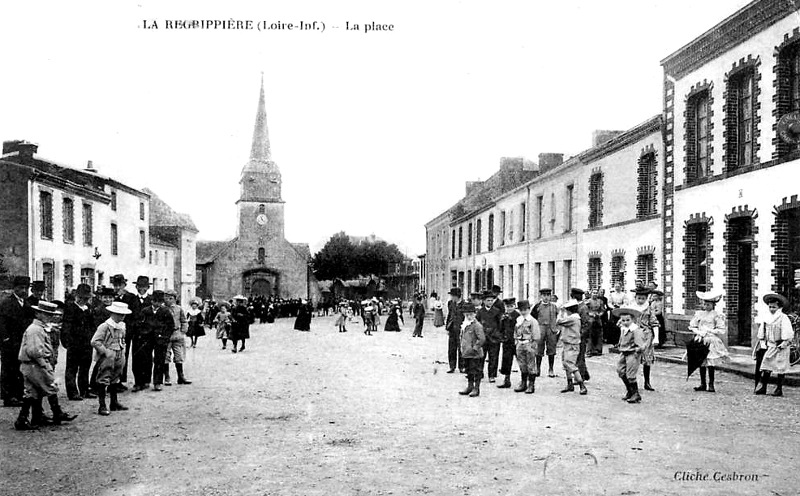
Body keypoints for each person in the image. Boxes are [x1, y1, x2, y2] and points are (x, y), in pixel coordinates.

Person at [15, 301, 77, 430]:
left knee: (32, 391)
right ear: (38, 314)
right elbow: (34, 351)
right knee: (50, 386)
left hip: (32, 364)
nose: (49, 317)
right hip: (35, 364)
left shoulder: (39, 328)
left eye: (50, 314)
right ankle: (56, 413)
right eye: (46, 314)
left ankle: (28, 418)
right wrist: (45, 366)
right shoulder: (35, 330)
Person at [91, 302, 132, 415]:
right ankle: (102, 405)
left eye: (123, 315)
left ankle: (114, 403)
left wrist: (122, 350)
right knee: (104, 378)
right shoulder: (104, 326)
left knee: (116, 377)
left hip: (119, 353)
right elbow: (95, 341)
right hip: (108, 355)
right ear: (113, 313)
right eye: (119, 314)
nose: (122, 317)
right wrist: (105, 351)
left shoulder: (122, 326)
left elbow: (123, 339)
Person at [0, 276, 33, 407]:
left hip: (21, 342)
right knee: (8, 369)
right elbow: (1, 323)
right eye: (21, 288)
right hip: (9, 342)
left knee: (20, 368)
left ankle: (18, 394)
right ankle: (8, 397)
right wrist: (5, 338)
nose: (24, 291)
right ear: (15, 288)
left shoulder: (26, 304)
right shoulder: (7, 303)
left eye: (26, 288)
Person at [754, 293, 794, 397]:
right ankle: (763, 387)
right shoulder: (767, 318)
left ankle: (779, 388)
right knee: (766, 365)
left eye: (774, 307)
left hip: (780, 346)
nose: (772, 309)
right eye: (770, 307)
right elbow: (762, 331)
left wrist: (784, 343)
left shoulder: (783, 318)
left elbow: (788, 333)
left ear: (779, 307)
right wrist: (763, 342)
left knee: (780, 366)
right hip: (770, 345)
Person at [61, 284, 96, 401]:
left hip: (87, 344)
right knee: (72, 368)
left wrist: (92, 338)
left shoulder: (89, 309)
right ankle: (72, 392)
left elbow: (92, 326)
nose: (83, 301)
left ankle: (85, 390)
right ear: (76, 296)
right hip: (74, 344)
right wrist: (67, 342)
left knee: (85, 368)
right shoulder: (70, 308)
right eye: (81, 298)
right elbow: (66, 326)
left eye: (86, 299)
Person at [688, 289, 728, 392]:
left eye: (709, 304)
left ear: (713, 305)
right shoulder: (699, 314)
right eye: (705, 304)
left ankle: (711, 384)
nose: (706, 306)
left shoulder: (716, 315)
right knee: (701, 361)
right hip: (701, 338)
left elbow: (721, 329)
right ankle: (703, 383)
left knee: (710, 362)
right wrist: (699, 331)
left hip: (711, 339)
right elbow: (692, 325)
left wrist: (710, 331)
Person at [111, 274, 139, 390]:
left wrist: (128, 327)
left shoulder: (131, 297)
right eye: (115, 285)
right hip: (113, 330)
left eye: (119, 285)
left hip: (127, 330)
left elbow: (135, 314)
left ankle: (120, 379)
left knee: (124, 355)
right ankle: (113, 381)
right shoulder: (112, 298)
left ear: (124, 285)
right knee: (114, 355)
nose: (117, 288)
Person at [628, 287, 659, 391]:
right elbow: (623, 323)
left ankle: (647, 382)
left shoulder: (649, 309)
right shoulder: (630, 308)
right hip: (633, 335)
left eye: (643, 298)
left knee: (647, 359)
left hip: (646, 335)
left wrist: (656, 338)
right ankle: (632, 382)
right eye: (639, 298)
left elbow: (654, 323)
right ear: (635, 298)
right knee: (632, 358)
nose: (640, 300)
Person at [143, 291, 175, 391]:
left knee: (159, 360)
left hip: (161, 339)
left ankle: (157, 382)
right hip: (148, 339)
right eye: (155, 301)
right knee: (147, 360)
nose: (156, 304)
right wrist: (144, 334)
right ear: (151, 301)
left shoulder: (165, 311)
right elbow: (140, 324)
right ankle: (146, 381)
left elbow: (170, 326)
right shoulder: (145, 311)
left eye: (159, 302)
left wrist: (165, 337)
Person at [614, 307, 645, 403]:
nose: (625, 322)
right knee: (620, 370)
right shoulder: (623, 329)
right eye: (623, 320)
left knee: (630, 374)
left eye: (628, 320)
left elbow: (641, 344)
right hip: (624, 352)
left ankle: (635, 394)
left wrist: (637, 351)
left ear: (633, 320)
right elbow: (622, 339)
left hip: (632, 353)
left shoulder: (635, 330)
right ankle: (629, 391)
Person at [557, 299, 588, 395]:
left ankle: (582, 385)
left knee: (570, 364)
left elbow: (558, 321)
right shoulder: (574, 318)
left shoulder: (573, 318)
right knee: (566, 364)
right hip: (568, 343)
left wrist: (560, 312)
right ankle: (569, 384)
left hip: (572, 345)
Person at [458, 302, 485, 398]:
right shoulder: (465, 324)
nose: (469, 317)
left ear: (475, 314)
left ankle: (476, 388)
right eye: (466, 315)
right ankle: (470, 386)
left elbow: (481, 339)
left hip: (475, 354)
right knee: (469, 370)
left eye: (471, 314)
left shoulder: (477, 325)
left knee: (476, 371)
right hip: (466, 353)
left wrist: (475, 348)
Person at [163, 290, 191, 385]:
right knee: (165, 356)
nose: (168, 300)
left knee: (179, 355)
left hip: (177, 334)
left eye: (171, 298)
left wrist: (183, 331)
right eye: (166, 298)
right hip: (166, 335)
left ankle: (181, 376)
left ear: (175, 299)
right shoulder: (163, 309)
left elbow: (184, 320)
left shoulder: (179, 309)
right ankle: (167, 377)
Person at [513, 300, 540, 394]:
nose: (523, 312)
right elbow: (516, 331)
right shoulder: (518, 320)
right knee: (522, 364)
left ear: (529, 309)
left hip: (529, 343)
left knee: (531, 365)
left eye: (525, 310)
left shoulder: (532, 321)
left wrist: (533, 344)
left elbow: (536, 334)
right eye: (521, 310)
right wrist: (516, 341)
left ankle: (531, 385)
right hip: (520, 344)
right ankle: (523, 383)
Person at [532, 288, 559, 378]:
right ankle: (538, 368)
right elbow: (532, 319)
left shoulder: (554, 306)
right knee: (539, 350)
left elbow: (558, 317)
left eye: (548, 295)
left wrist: (556, 328)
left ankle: (551, 369)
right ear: (541, 296)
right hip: (540, 330)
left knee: (551, 350)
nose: (546, 297)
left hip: (551, 330)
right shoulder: (537, 306)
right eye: (544, 295)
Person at [477, 290, 503, 383]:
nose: (490, 302)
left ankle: (492, 375)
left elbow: (500, 324)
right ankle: (479, 373)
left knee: (493, 357)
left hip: (494, 338)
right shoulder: (480, 312)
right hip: (483, 338)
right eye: (488, 300)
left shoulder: (497, 311)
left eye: (492, 300)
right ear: (483, 301)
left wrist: (497, 334)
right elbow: (477, 324)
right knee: (481, 357)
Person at [570, 288, 592, 382]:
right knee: (578, 355)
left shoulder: (583, 307)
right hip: (575, 334)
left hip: (580, 335)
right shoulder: (576, 306)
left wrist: (581, 334)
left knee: (579, 356)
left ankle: (581, 376)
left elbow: (586, 323)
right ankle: (584, 373)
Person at [497, 298, 519, 389]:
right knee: (506, 361)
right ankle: (507, 380)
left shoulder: (518, 316)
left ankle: (525, 380)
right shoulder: (504, 316)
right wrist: (502, 337)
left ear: (514, 306)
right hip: (507, 342)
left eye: (511, 306)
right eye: (507, 306)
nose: (509, 308)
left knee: (521, 361)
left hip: (517, 342)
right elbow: (501, 328)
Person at [444, 288, 464, 373]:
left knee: (461, 348)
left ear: (457, 296)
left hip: (461, 329)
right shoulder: (450, 303)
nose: (451, 297)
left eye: (452, 296)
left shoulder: (464, 304)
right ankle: (452, 366)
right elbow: (449, 315)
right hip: (452, 328)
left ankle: (462, 367)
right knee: (451, 348)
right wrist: (447, 327)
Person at [586, 290, 606, 356]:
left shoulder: (600, 301)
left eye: (596, 293)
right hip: (590, 318)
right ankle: (589, 350)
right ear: (591, 294)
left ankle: (598, 349)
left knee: (599, 334)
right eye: (593, 293)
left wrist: (599, 314)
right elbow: (586, 310)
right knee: (590, 334)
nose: (595, 294)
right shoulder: (588, 301)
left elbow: (603, 310)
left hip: (598, 318)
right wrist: (591, 314)